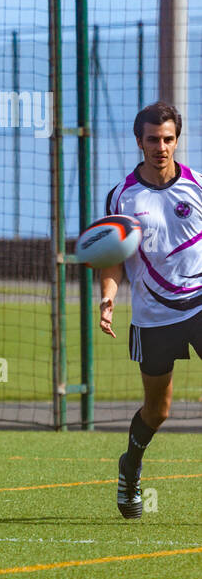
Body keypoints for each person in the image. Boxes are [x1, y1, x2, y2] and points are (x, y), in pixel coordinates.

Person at [98, 101, 202, 519]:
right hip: (154, 317)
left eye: (169, 139)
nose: (162, 147)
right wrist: (108, 296)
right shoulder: (123, 196)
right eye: (153, 139)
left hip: (199, 305)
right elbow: (113, 258)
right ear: (139, 141)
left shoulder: (196, 187)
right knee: (158, 410)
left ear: (177, 140)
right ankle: (131, 466)